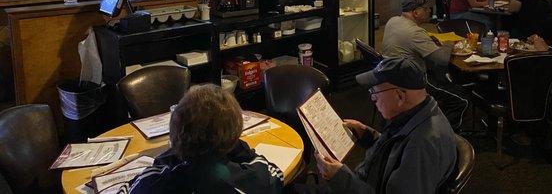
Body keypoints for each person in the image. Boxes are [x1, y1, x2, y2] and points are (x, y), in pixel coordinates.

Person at [312, 56, 456, 194]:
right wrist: (368, 135)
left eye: (375, 92)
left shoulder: (422, 147)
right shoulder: (418, 113)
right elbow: (396, 151)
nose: (372, 98)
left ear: (399, 96)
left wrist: (341, 178)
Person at [119, 84, 283, 194]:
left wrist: (172, 154)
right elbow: (276, 174)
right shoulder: (251, 179)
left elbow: (125, 189)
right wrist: (235, 145)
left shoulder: (154, 182)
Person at [381, 0, 469, 129]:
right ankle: (445, 136)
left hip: (391, 78)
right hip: (413, 82)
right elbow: (441, 60)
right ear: (416, 12)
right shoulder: (415, 32)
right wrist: (449, 43)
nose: (429, 11)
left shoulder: (393, 21)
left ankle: (430, 118)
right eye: (426, 8)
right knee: (462, 100)